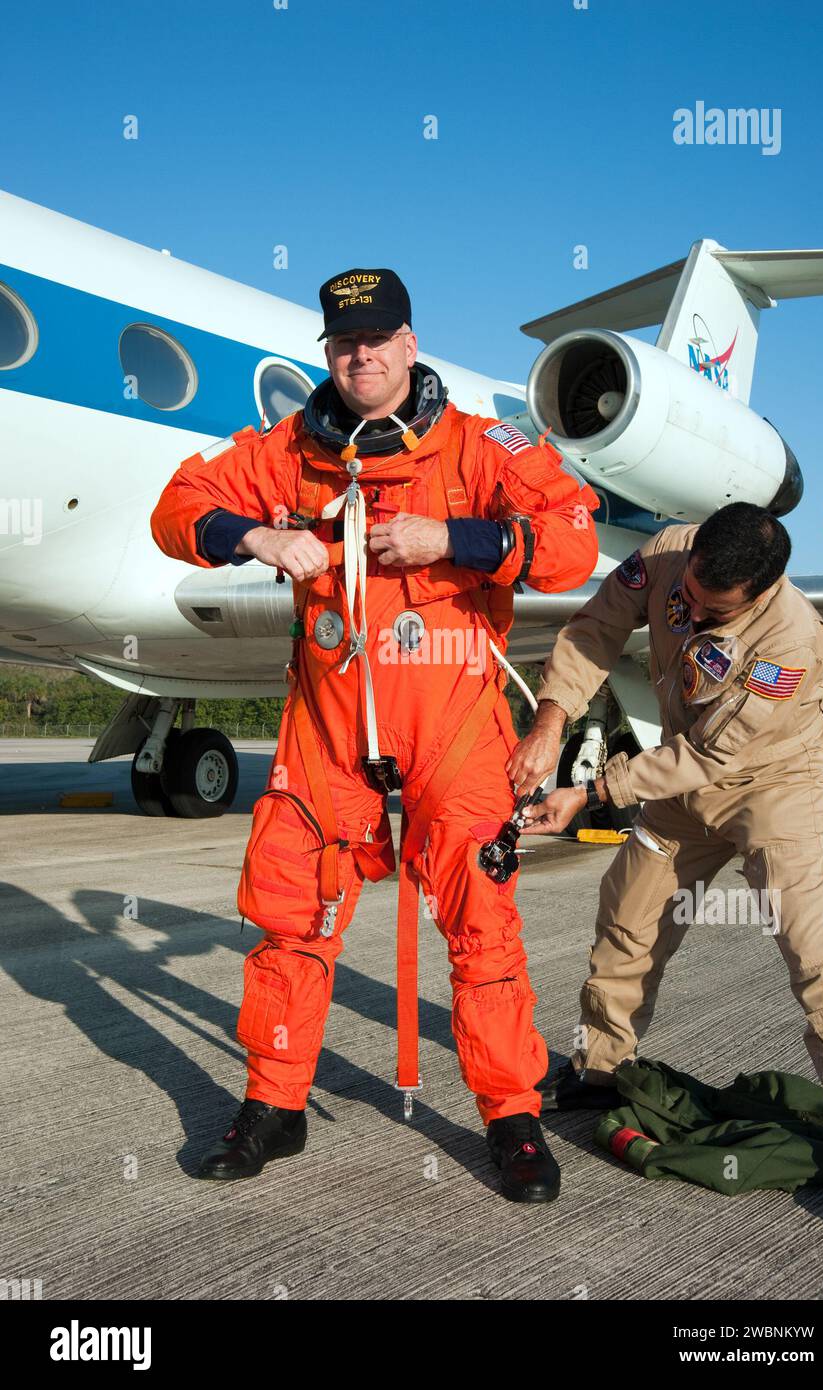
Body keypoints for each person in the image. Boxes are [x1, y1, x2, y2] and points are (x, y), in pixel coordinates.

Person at [151, 267, 600, 1202]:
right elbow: (178, 507)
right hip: (327, 732)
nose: (360, 355)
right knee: (287, 921)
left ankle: (511, 1116)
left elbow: (572, 541)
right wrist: (258, 539)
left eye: (377, 338)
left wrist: (458, 541)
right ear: (332, 350)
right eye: (344, 341)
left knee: (483, 929)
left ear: (408, 344)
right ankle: (275, 1104)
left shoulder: (480, 449)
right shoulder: (287, 453)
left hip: (453, 731)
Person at [510, 502, 823, 1229]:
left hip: (772, 788)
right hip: (682, 779)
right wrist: (552, 717)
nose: (689, 609)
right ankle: (601, 1069)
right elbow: (597, 626)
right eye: (689, 595)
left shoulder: (790, 638)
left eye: (712, 611)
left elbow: (712, 755)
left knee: (815, 958)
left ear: (759, 593)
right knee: (628, 919)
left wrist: (595, 792)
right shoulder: (673, 552)